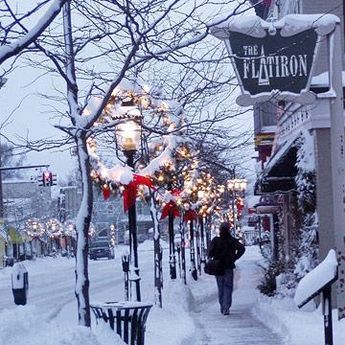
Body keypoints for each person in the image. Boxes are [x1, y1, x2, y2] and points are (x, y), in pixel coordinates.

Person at [208, 222, 245, 315]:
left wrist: (214, 255)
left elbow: (209, 253)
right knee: (228, 287)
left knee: (221, 287)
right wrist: (235, 257)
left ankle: (222, 305)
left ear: (220, 230)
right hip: (228, 266)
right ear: (229, 230)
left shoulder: (216, 240)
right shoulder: (232, 240)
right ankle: (226, 306)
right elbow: (242, 248)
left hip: (218, 267)